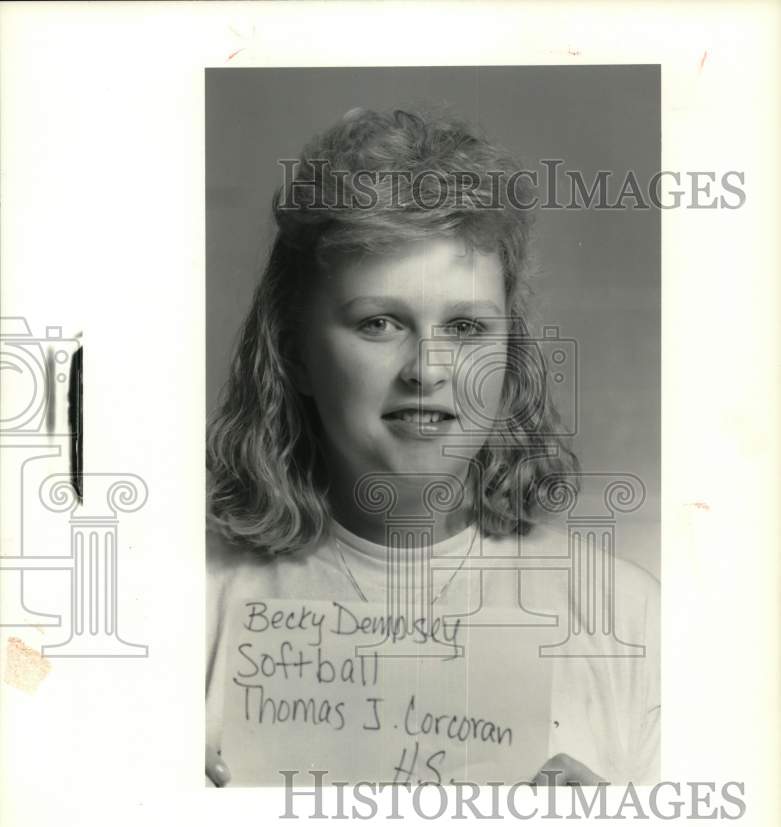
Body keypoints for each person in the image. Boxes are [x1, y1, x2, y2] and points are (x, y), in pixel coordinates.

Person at [206, 107, 660, 788]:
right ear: (295, 351)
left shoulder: (625, 618)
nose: (426, 369)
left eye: (466, 326)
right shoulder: (189, 599)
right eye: (378, 322)